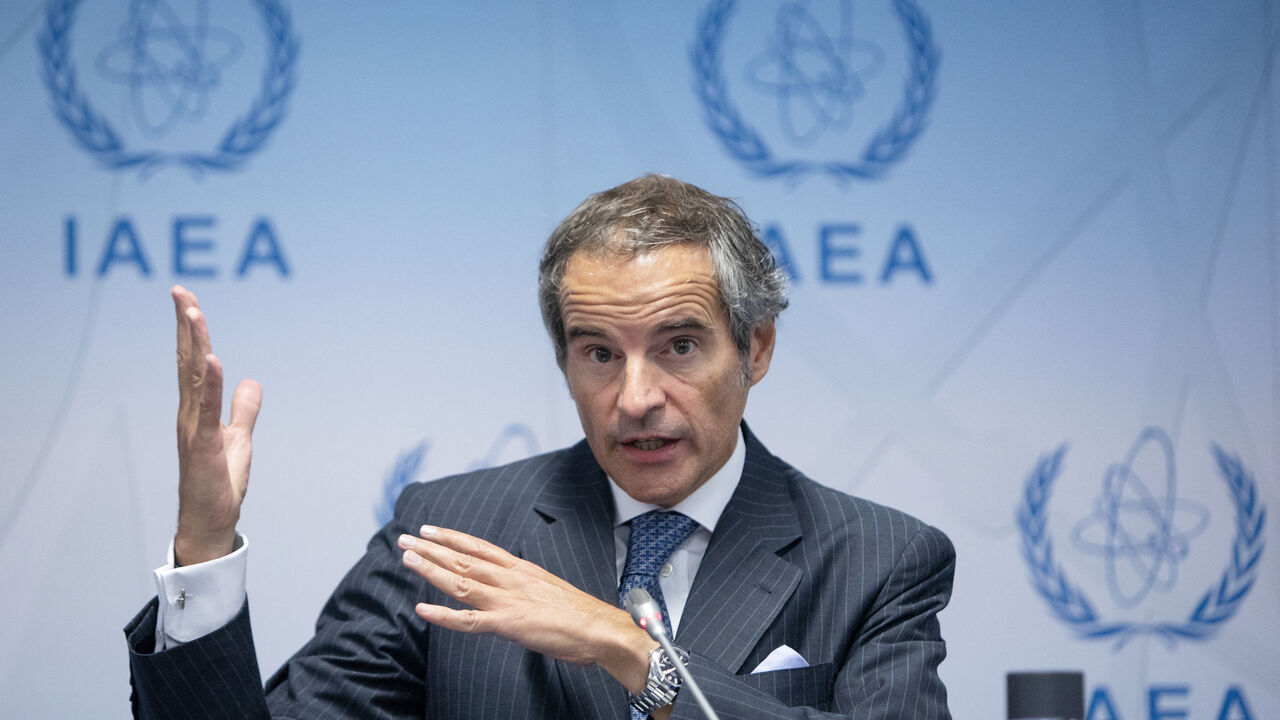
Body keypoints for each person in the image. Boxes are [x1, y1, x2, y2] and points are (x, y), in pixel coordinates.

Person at [125, 175, 956, 719]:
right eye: (600, 353)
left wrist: (637, 655)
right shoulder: (452, 532)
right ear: (563, 360)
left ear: (757, 348)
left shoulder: (878, 559)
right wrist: (204, 549)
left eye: (679, 346)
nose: (636, 397)